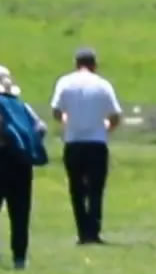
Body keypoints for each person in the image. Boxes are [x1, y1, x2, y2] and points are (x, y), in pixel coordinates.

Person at [0, 64, 48, 270]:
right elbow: (41, 127)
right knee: (20, 210)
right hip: (22, 163)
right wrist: (28, 144)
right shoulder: (22, 105)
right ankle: (20, 257)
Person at [49, 47, 123, 245]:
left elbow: (56, 110)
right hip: (97, 143)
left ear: (76, 63)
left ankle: (82, 231)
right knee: (96, 189)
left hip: (73, 142)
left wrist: (66, 120)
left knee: (76, 189)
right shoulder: (103, 85)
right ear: (94, 65)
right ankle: (94, 231)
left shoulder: (65, 82)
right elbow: (115, 115)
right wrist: (107, 127)